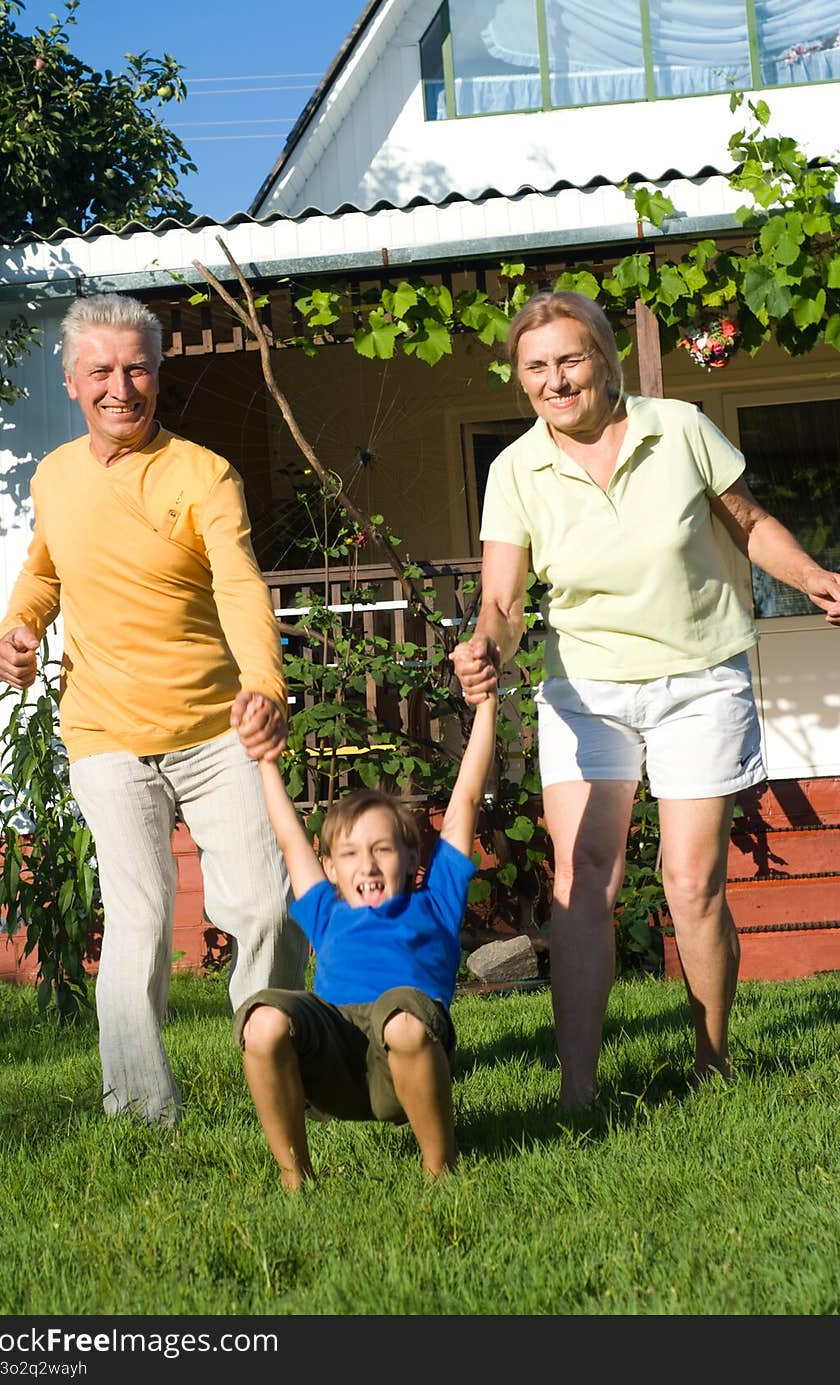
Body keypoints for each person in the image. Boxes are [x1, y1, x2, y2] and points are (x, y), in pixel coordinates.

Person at [450, 290, 840, 1110]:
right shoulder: (515, 469)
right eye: (537, 367)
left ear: (602, 358)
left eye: (570, 359)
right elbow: (504, 600)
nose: (557, 380)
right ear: (520, 380)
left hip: (701, 677)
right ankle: (578, 1091)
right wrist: (485, 642)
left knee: (692, 880)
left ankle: (712, 1061)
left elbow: (748, 521)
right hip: (585, 692)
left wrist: (810, 577)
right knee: (584, 875)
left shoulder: (679, 427)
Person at [0, 292, 309, 1125]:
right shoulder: (55, 477)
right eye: (101, 370)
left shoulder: (204, 473)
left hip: (215, 729)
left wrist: (264, 688)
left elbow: (240, 588)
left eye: (137, 368)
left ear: (158, 374)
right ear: (71, 379)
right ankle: (139, 1113)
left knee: (265, 905)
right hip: (103, 731)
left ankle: (282, 1070)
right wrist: (19, 626)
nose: (120, 387)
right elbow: (44, 572)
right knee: (137, 915)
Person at [232, 690, 497, 1190]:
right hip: (334, 1059)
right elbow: (291, 838)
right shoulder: (327, 913)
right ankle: (295, 1176)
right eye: (350, 854)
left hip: (404, 1051)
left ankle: (441, 1172)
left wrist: (485, 706)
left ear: (413, 858)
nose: (368, 865)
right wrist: (266, 761)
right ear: (330, 868)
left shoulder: (435, 903)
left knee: (401, 1018)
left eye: (382, 849)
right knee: (262, 1019)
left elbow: (463, 801)